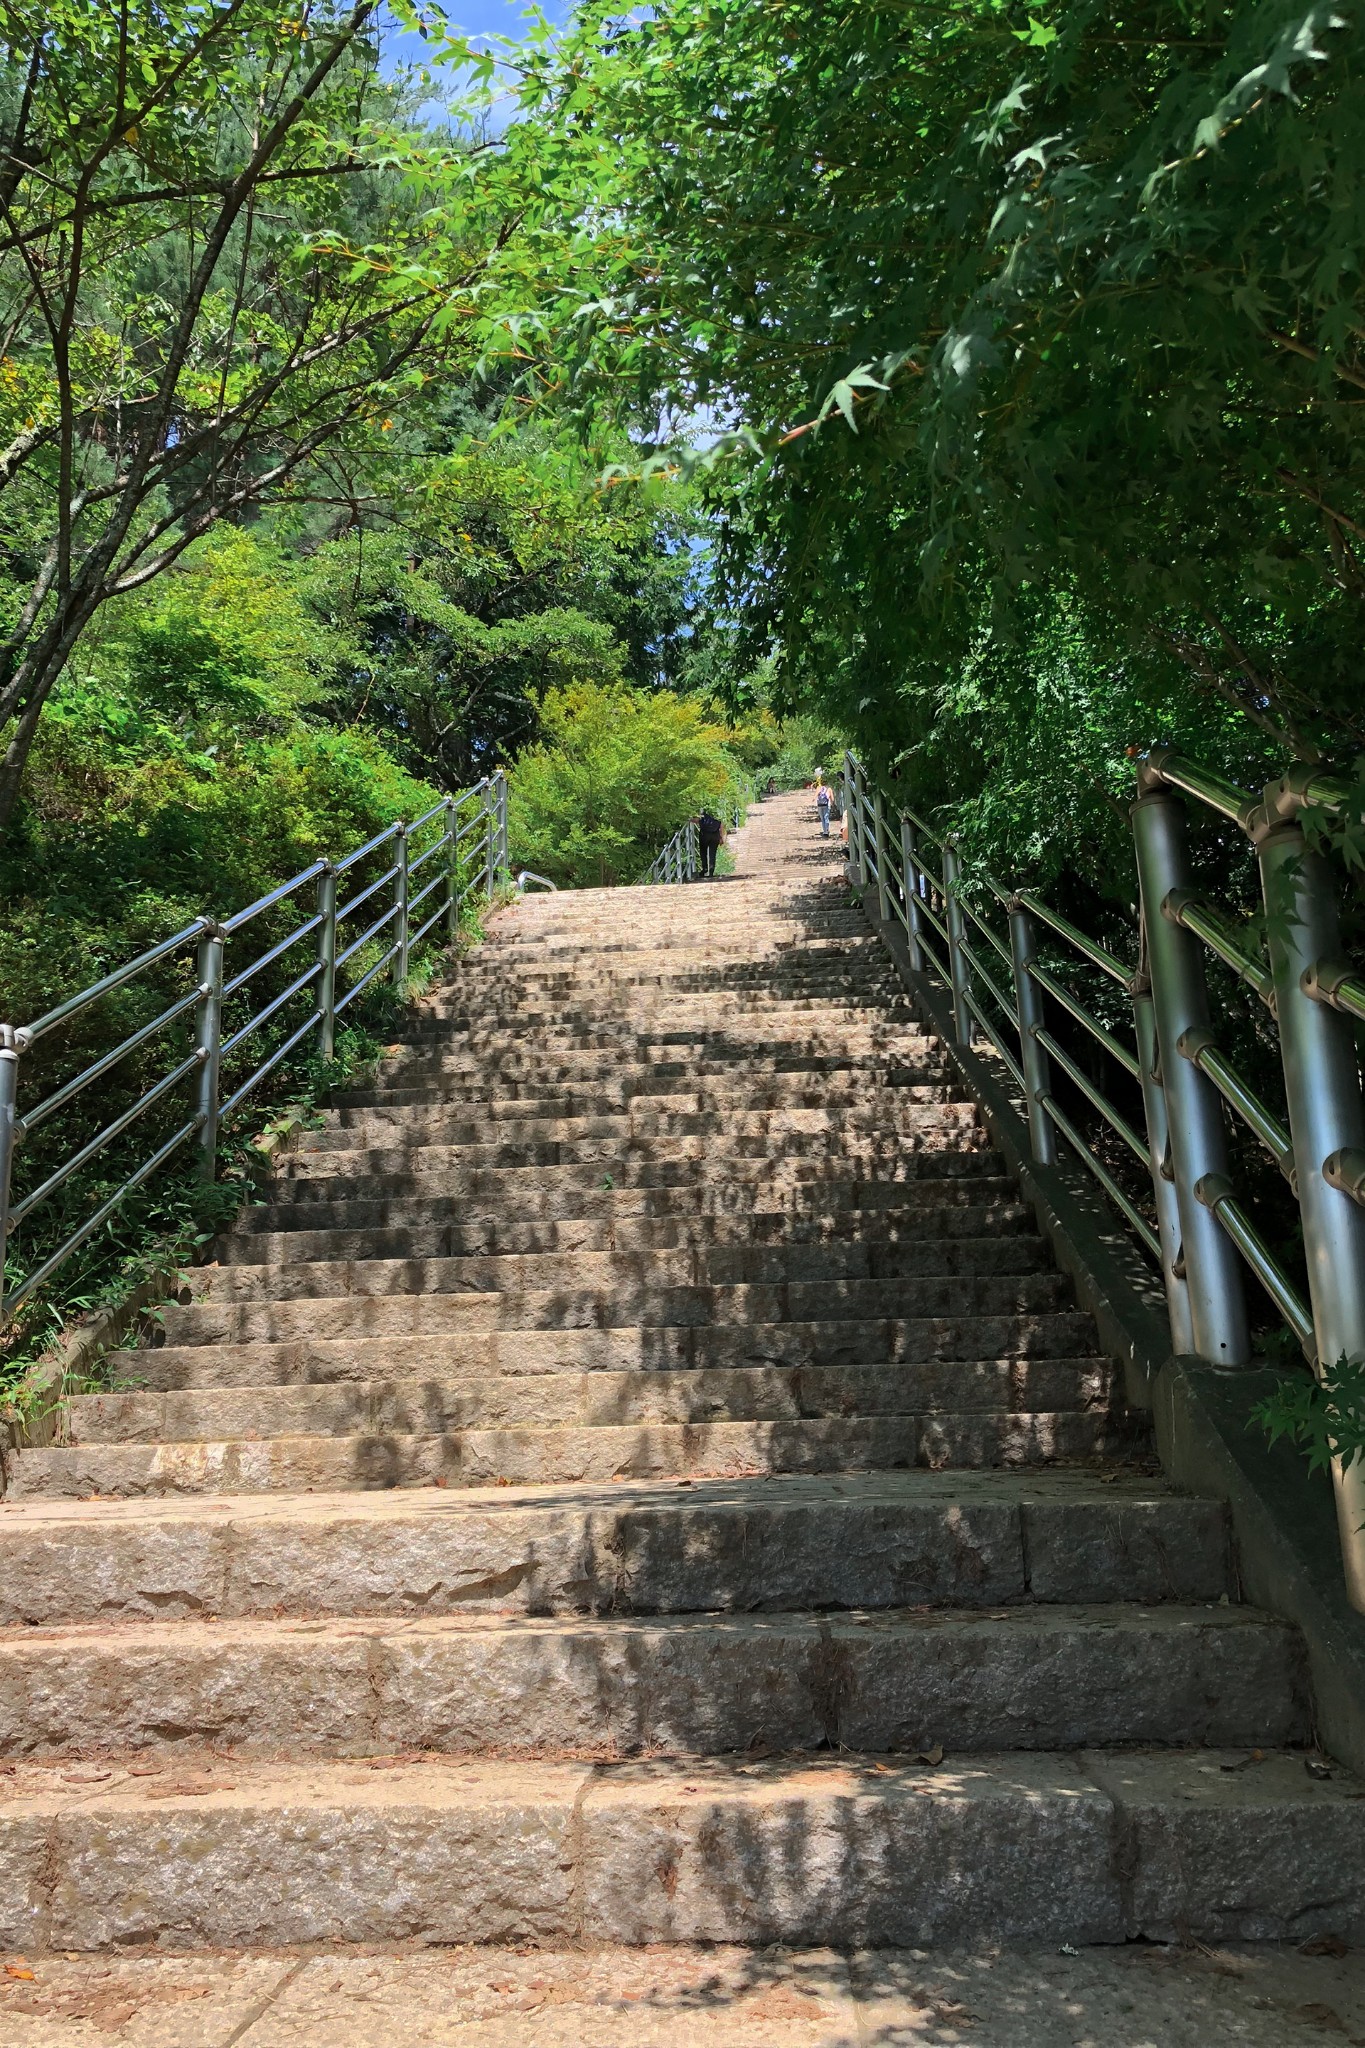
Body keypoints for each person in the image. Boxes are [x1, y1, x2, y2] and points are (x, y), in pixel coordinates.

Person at [696, 806, 725, 877]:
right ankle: (711, 869)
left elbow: (696, 820)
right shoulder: (716, 816)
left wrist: (689, 820)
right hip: (715, 836)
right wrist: (721, 838)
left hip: (704, 835)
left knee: (703, 852)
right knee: (712, 853)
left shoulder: (702, 816)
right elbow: (721, 825)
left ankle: (705, 868)